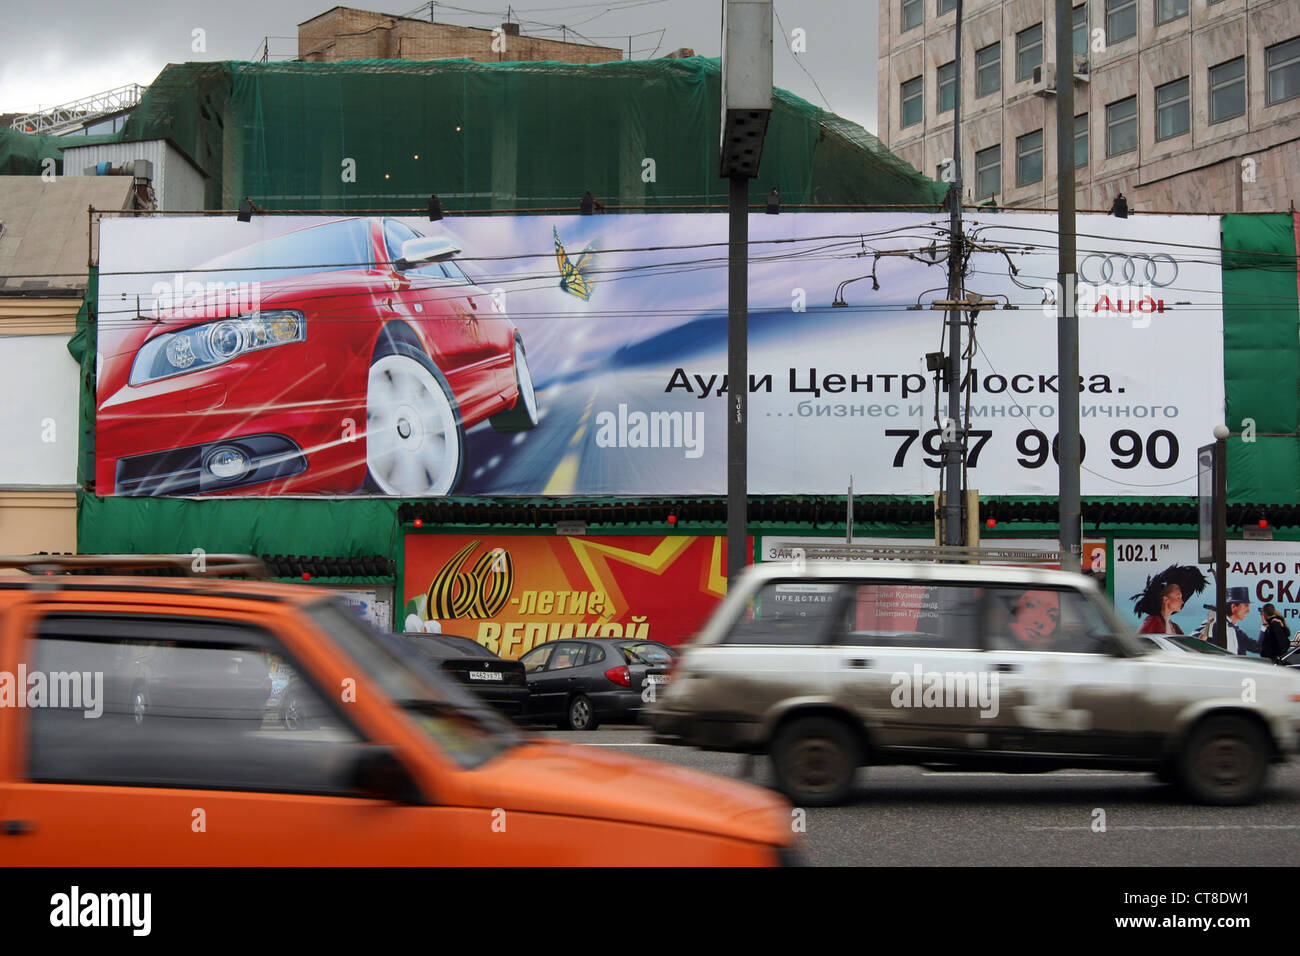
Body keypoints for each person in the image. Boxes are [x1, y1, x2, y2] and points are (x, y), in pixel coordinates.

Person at [1191, 587, 1259, 655]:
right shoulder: (1213, 624)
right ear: (1233, 607)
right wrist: (1209, 626)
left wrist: (1265, 624)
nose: (1248, 611)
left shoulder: (1240, 634)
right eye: (1246, 606)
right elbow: (1190, 646)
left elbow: (1259, 648)